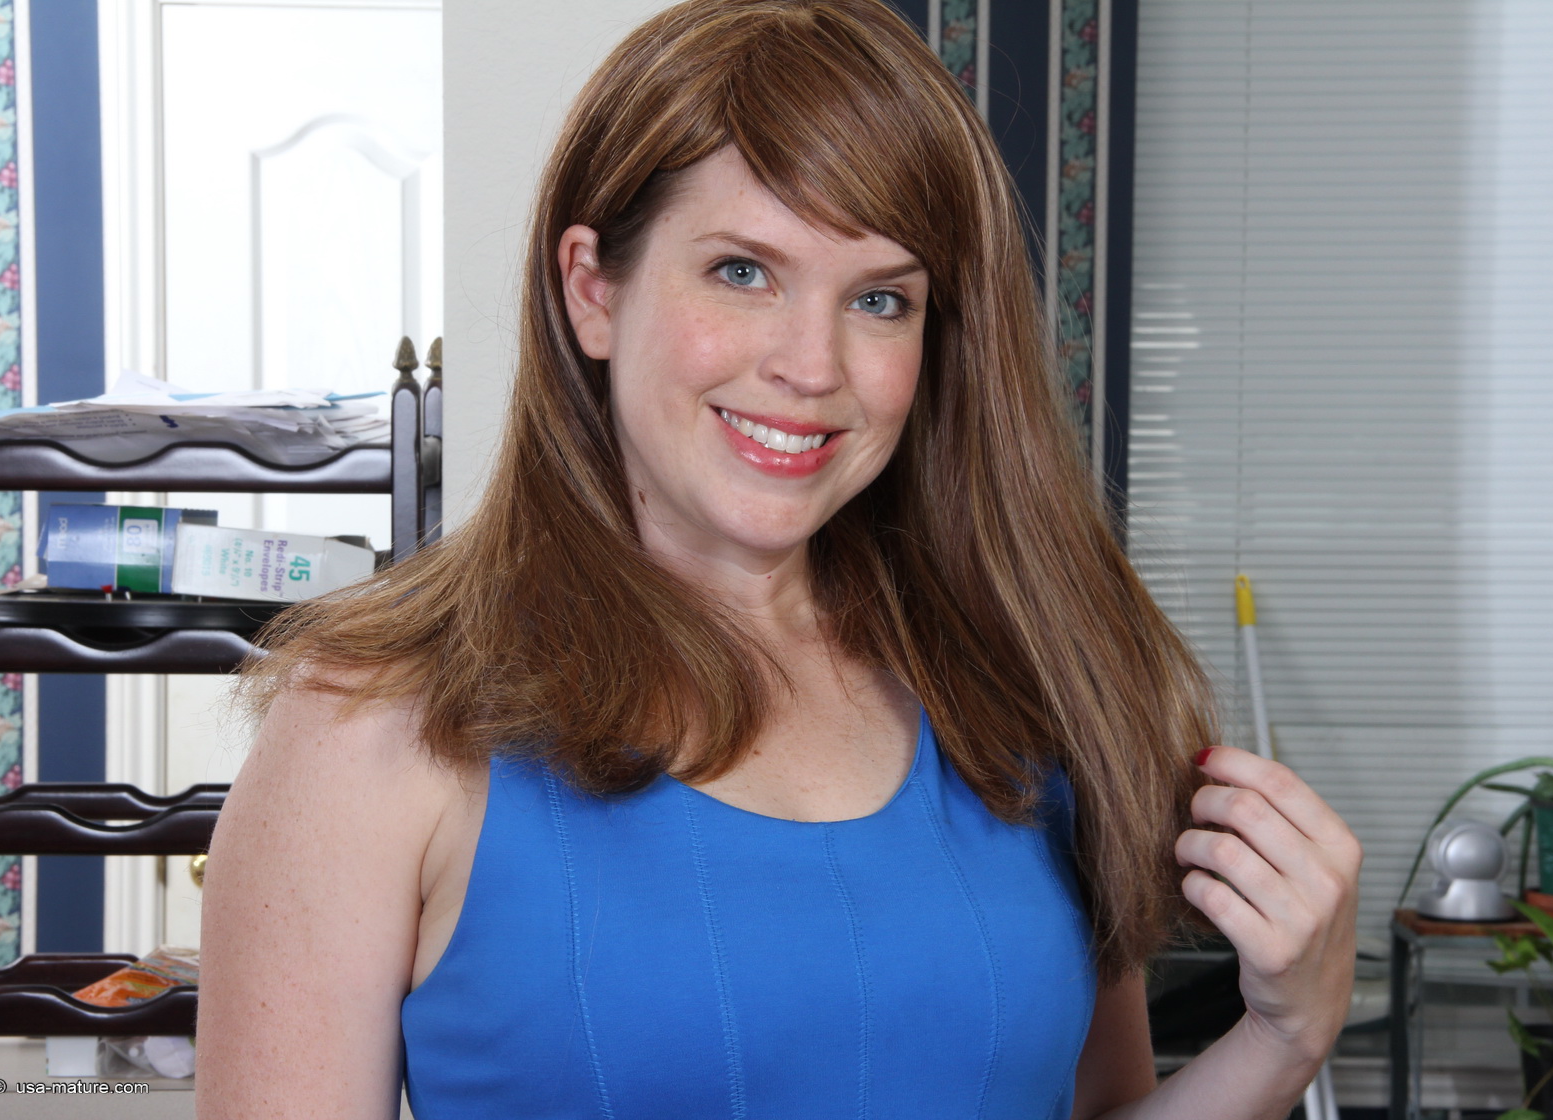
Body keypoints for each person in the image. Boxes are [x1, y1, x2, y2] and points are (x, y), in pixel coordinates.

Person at [196, 1, 1362, 1117]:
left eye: (880, 299)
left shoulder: (1026, 692)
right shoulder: (370, 729)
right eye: (743, 271)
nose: (812, 365)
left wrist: (1283, 1038)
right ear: (593, 290)